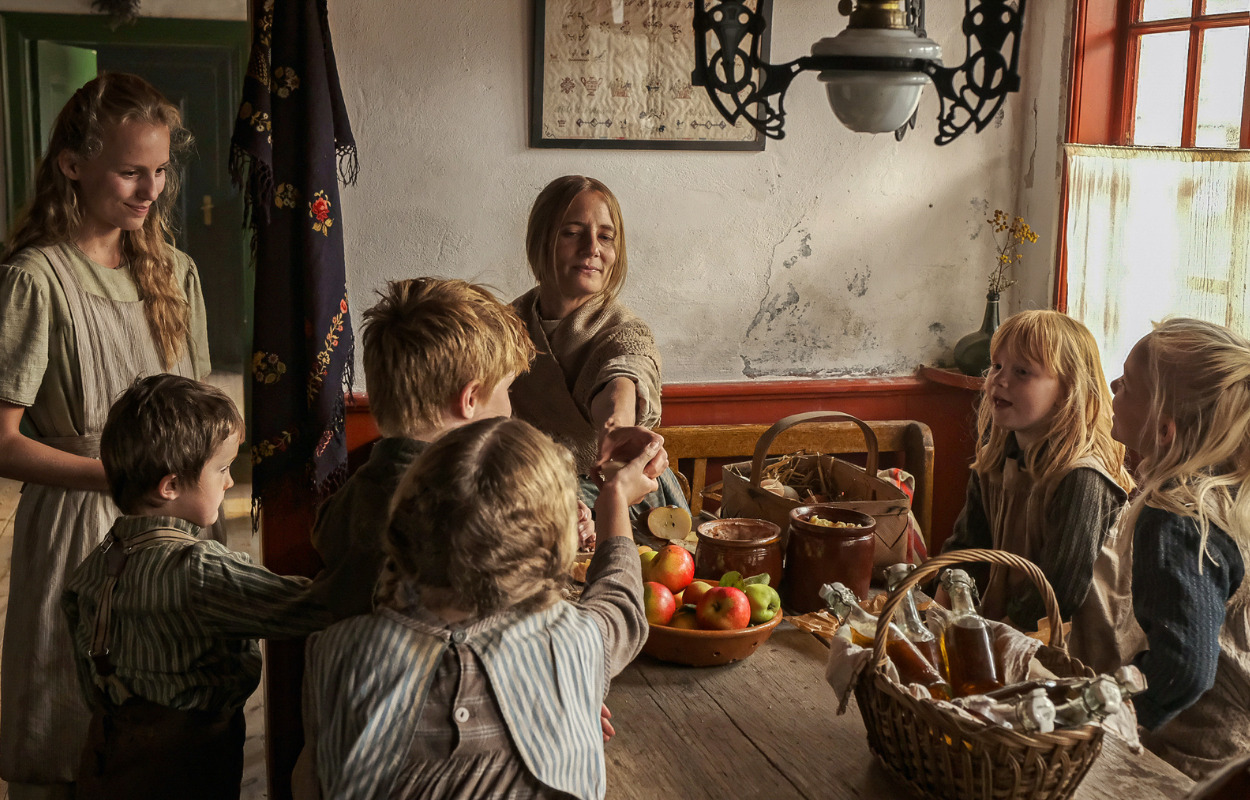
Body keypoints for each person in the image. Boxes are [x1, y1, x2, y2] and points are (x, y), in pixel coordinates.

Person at [0, 72, 212, 797]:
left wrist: (195, 481)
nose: (151, 190)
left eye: (161, 170)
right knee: (70, 720)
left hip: (175, 526)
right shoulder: (36, 279)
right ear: (72, 165)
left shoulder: (176, 273)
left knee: (167, 727)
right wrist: (120, 476)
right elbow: (1, 442)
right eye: (130, 172)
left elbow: (204, 415)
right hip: (79, 527)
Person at [297, 417, 657, 798]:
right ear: (552, 550)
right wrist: (614, 497)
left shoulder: (337, 655)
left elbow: (310, 785)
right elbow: (621, 600)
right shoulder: (574, 643)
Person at [62, 375, 333, 798]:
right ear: (170, 486)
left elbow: (88, 683)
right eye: (222, 469)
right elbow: (314, 606)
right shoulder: (200, 570)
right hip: (188, 771)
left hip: (107, 761)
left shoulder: (94, 566)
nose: (229, 482)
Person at [308, 277, 538, 620]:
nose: (509, 407)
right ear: (470, 399)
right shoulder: (459, 513)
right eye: (507, 390)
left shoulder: (346, 500)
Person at [940, 310, 1137, 673]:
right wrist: (940, 608)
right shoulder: (994, 461)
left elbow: (1059, 589)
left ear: (1067, 391)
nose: (999, 380)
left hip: (1069, 648)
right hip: (1008, 632)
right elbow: (968, 546)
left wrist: (996, 645)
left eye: (1022, 372)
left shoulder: (1081, 478)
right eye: (997, 366)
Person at [1110, 318, 1250, 780]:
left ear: (1164, 430)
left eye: (1126, 383)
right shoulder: (1230, 494)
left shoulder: (1176, 515)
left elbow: (1183, 669)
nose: (1112, 386)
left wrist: (1111, 720)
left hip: (1198, 762)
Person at [510, 175, 686, 518]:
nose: (592, 247)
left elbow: (623, 375)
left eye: (605, 236)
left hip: (617, 489)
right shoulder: (504, 324)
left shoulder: (626, 330)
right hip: (529, 495)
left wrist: (616, 431)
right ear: (541, 240)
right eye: (572, 232)